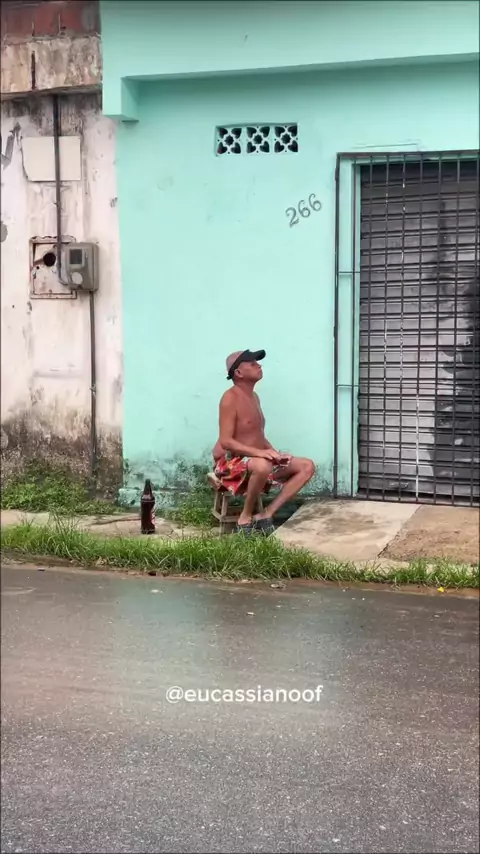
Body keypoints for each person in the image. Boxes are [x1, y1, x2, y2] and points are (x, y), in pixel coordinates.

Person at [213, 349, 315, 535]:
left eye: (257, 363)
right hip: (232, 464)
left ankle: (265, 514)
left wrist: (275, 454)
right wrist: (261, 454)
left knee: (306, 466)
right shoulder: (229, 398)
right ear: (238, 373)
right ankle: (245, 517)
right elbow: (226, 442)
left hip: (257, 460)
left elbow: (258, 435)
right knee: (262, 466)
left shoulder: (254, 397)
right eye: (252, 364)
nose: (259, 366)